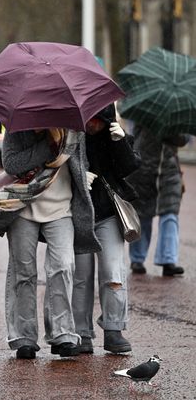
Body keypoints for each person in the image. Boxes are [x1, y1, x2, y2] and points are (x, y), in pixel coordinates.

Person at [2, 127, 100, 359]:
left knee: (63, 266)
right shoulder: (17, 129)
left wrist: (82, 175)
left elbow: (81, 162)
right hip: (23, 205)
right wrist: (46, 146)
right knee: (23, 271)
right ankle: (24, 337)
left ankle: (62, 334)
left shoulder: (74, 129)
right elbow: (11, 165)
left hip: (62, 207)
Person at [72, 106, 141, 355]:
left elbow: (130, 167)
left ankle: (114, 329)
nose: (92, 124)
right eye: (88, 119)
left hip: (108, 213)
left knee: (113, 272)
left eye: (97, 120)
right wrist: (79, 175)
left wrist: (120, 141)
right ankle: (81, 333)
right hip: (78, 212)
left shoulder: (113, 134)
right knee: (81, 277)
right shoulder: (70, 135)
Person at [126, 125, 189, 276]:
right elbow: (135, 134)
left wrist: (171, 128)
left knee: (170, 214)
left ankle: (168, 260)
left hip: (169, 173)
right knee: (143, 215)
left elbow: (183, 140)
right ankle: (137, 259)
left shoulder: (176, 118)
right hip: (143, 171)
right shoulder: (143, 111)